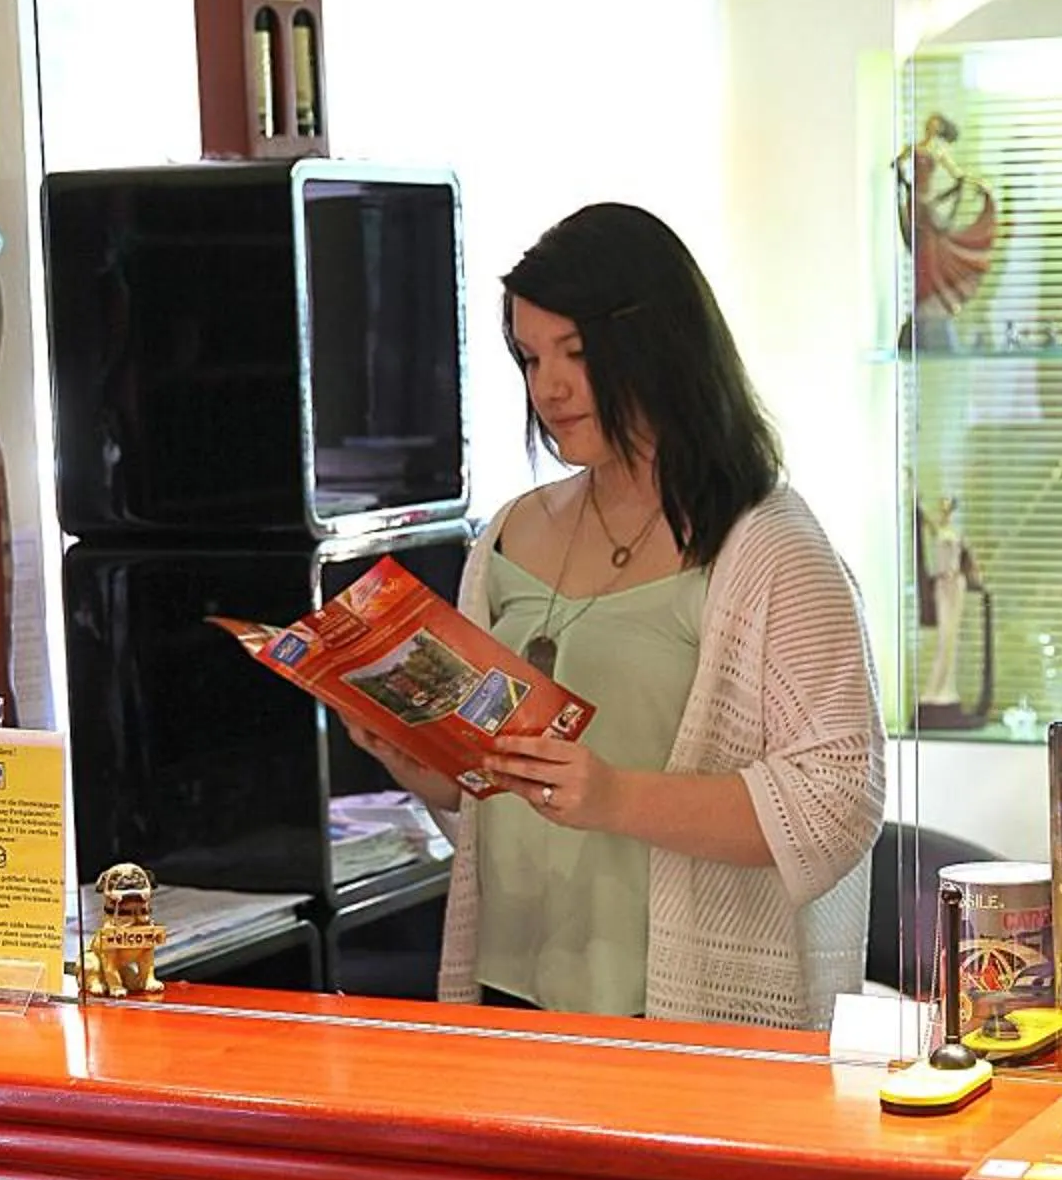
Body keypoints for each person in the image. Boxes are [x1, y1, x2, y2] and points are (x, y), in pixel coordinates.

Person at [350, 202, 887, 1027]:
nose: (548, 387)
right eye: (530, 358)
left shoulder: (771, 549)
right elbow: (487, 793)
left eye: (577, 352)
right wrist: (407, 751)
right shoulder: (508, 533)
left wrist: (614, 798)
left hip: (675, 1010)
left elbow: (837, 801)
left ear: (659, 343)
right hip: (507, 988)